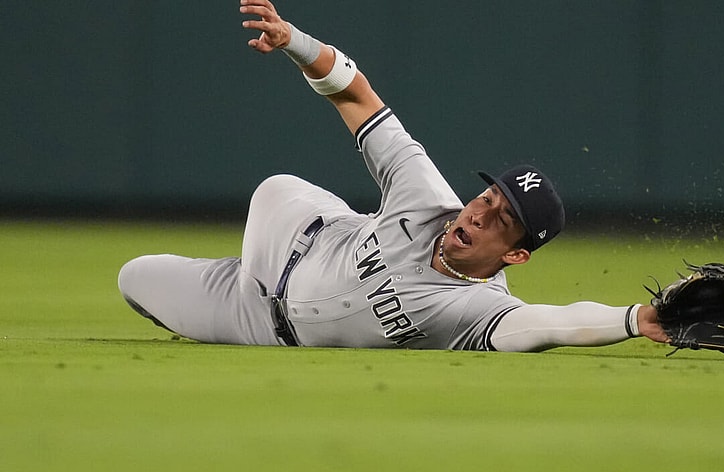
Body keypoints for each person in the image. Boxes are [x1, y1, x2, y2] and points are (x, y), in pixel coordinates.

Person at [117, 0, 668, 351]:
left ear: (517, 254)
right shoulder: (426, 195)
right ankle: (298, 250)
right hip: (293, 229)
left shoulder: (479, 310)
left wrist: (636, 318)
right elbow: (356, 96)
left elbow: (551, 324)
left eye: (502, 220)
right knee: (280, 188)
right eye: (487, 197)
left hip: (258, 323)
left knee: (135, 277)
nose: (477, 213)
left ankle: (234, 281)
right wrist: (296, 44)